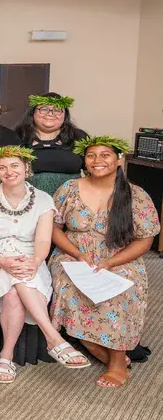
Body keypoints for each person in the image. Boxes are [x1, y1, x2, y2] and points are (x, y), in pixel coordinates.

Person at [0, 146, 91, 383]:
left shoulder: (44, 199)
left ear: (26, 168)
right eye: (2, 167)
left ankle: (6, 357)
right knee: (14, 276)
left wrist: (36, 262)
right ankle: (53, 338)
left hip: (31, 257)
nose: (9, 171)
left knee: (15, 291)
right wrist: (1, 260)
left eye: (14, 165)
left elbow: (44, 240)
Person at [49, 136, 160, 388]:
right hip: (74, 254)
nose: (98, 161)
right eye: (91, 156)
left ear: (118, 159)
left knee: (121, 290)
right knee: (68, 286)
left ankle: (118, 361)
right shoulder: (69, 188)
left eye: (105, 155)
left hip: (119, 256)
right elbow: (54, 228)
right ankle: (96, 346)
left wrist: (111, 263)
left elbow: (145, 239)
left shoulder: (135, 194)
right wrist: (78, 255)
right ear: (85, 161)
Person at [14, 93, 88, 196]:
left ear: (65, 115)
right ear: (33, 112)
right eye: (44, 109)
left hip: (71, 200)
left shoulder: (78, 137)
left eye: (57, 110)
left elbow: (92, 171)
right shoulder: (17, 136)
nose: (50, 114)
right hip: (26, 200)